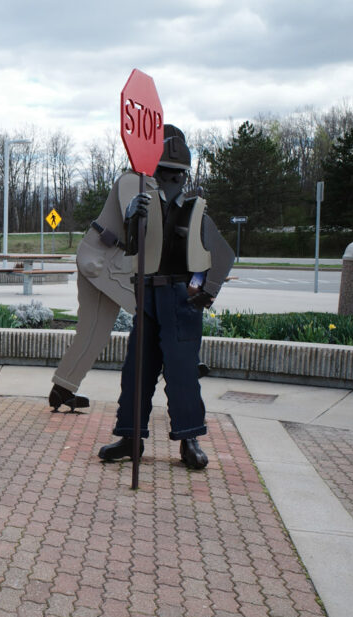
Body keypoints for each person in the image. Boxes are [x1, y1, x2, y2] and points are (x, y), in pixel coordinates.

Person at [96, 125, 235, 469]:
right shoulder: (146, 207)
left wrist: (205, 292)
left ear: (184, 177)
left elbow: (222, 254)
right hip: (149, 296)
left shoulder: (195, 211)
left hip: (180, 298)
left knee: (182, 373)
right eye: (164, 174)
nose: (170, 180)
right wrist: (132, 219)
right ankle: (131, 436)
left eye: (176, 175)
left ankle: (189, 439)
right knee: (136, 371)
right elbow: (133, 249)